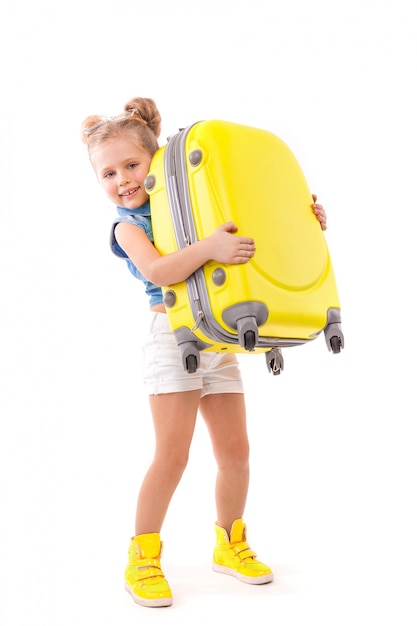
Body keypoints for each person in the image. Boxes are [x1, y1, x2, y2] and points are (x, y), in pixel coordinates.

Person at [81, 97, 328, 608]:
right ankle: (142, 556)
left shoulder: (191, 202)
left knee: (236, 454)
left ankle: (229, 543)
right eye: (108, 173)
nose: (122, 179)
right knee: (172, 456)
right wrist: (210, 248)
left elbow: (251, 221)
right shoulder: (129, 227)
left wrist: (306, 219)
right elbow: (158, 271)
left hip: (215, 340)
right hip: (172, 339)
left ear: (157, 160)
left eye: (132, 164)